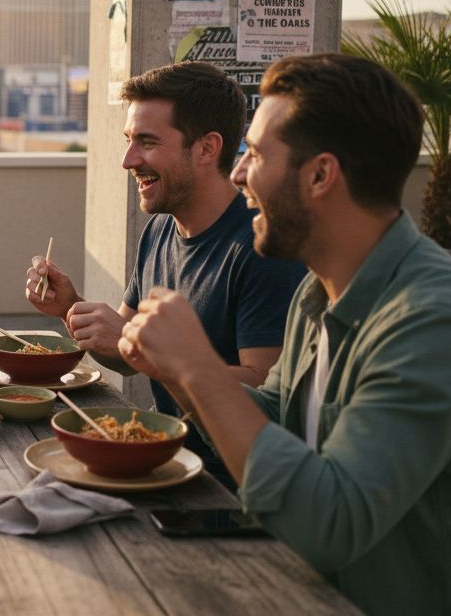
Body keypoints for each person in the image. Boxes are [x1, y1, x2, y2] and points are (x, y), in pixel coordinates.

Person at [119, 54, 451, 613]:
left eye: (255, 154)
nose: (238, 172)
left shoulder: (435, 321)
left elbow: (331, 521)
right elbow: (277, 420)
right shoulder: (318, 291)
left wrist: (198, 367)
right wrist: (172, 369)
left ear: (321, 175)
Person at [25, 61, 306, 486]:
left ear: (208, 148)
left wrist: (151, 352)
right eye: (128, 141)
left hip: (225, 488)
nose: (127, 160)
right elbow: (124, 356)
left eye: (147, 142)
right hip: (160, 463)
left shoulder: (261, 247)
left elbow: (264, 394)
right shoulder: (159, 227)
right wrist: (70, 307)